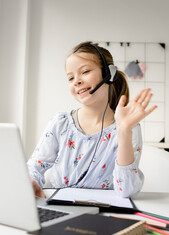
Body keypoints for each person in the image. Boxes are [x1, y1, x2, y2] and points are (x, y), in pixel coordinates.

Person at [27, 41, 157, 199]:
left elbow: (127, 190)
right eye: (70, 78)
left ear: (109, 73)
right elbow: (33, 168)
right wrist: (31, 181)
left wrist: (123, 132)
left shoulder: (129, 127)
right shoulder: (61, 123)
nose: (76, 81)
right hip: (58, 207)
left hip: (105, 213)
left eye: (85, 71)